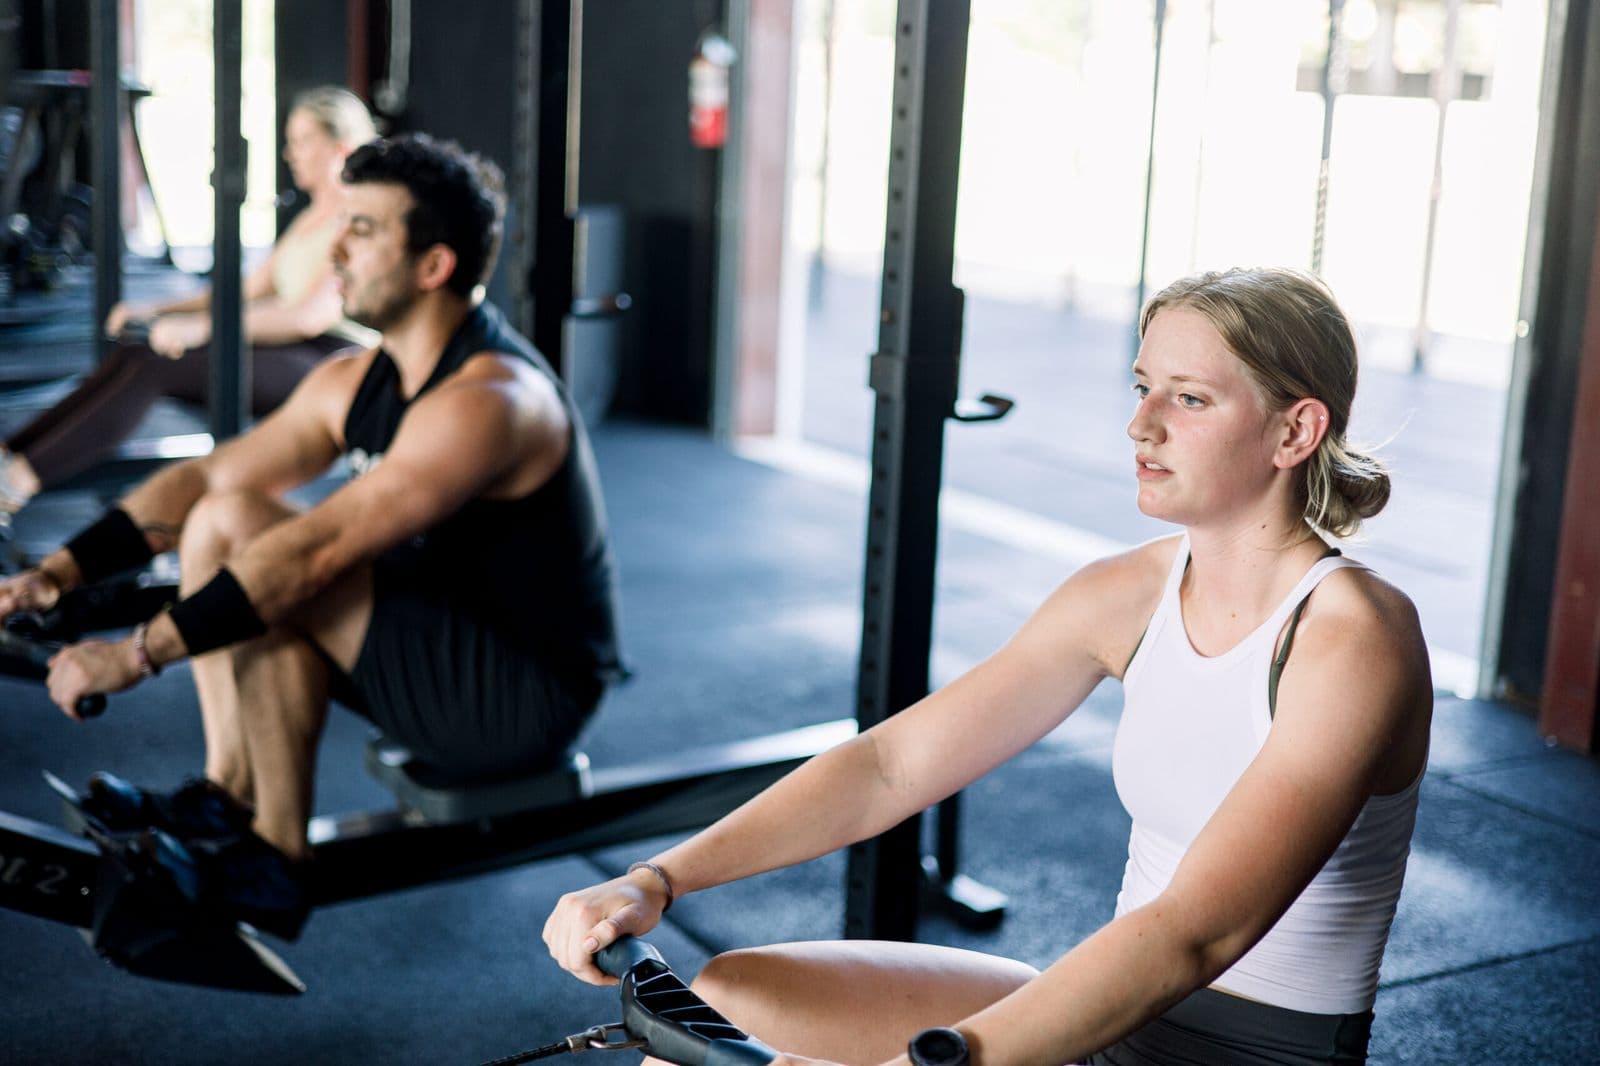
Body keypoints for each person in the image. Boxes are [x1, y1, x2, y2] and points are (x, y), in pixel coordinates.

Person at [542, 267, 1432, 1066]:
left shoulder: (1353, 638)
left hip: (1241, 1049)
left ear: (1295, 431)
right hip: (1107, 1013)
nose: (1141, 424)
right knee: (725, 997)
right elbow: (889, 767)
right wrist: (655, 879)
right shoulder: (1124, 595)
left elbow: (1196, 935)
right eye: (1142, 387)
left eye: (1190, 399)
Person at [0, 132, 624, 939]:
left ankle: (275, 862)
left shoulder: (493, 399)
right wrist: (59, 571)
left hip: (517, 696)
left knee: (268, 554)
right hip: (428, 638)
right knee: (226, 515)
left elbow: (317, 554)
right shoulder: (359, 377)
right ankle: (228, 801)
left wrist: (133, 654)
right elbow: (205, 480)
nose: (335, 245)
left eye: (363, 229)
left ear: (433, 267)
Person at [0, 87, 379, 512]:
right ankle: (11, 454)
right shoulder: (313, 216)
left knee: (160, 365)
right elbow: (246, 292)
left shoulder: (356, 218)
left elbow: (309, 317)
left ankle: (17, 483)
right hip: (290, 346)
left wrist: (199, 329)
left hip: (330, 363)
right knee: (137, 349)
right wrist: (155, 310)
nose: (290, 153)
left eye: (303, 141)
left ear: (340, 148)